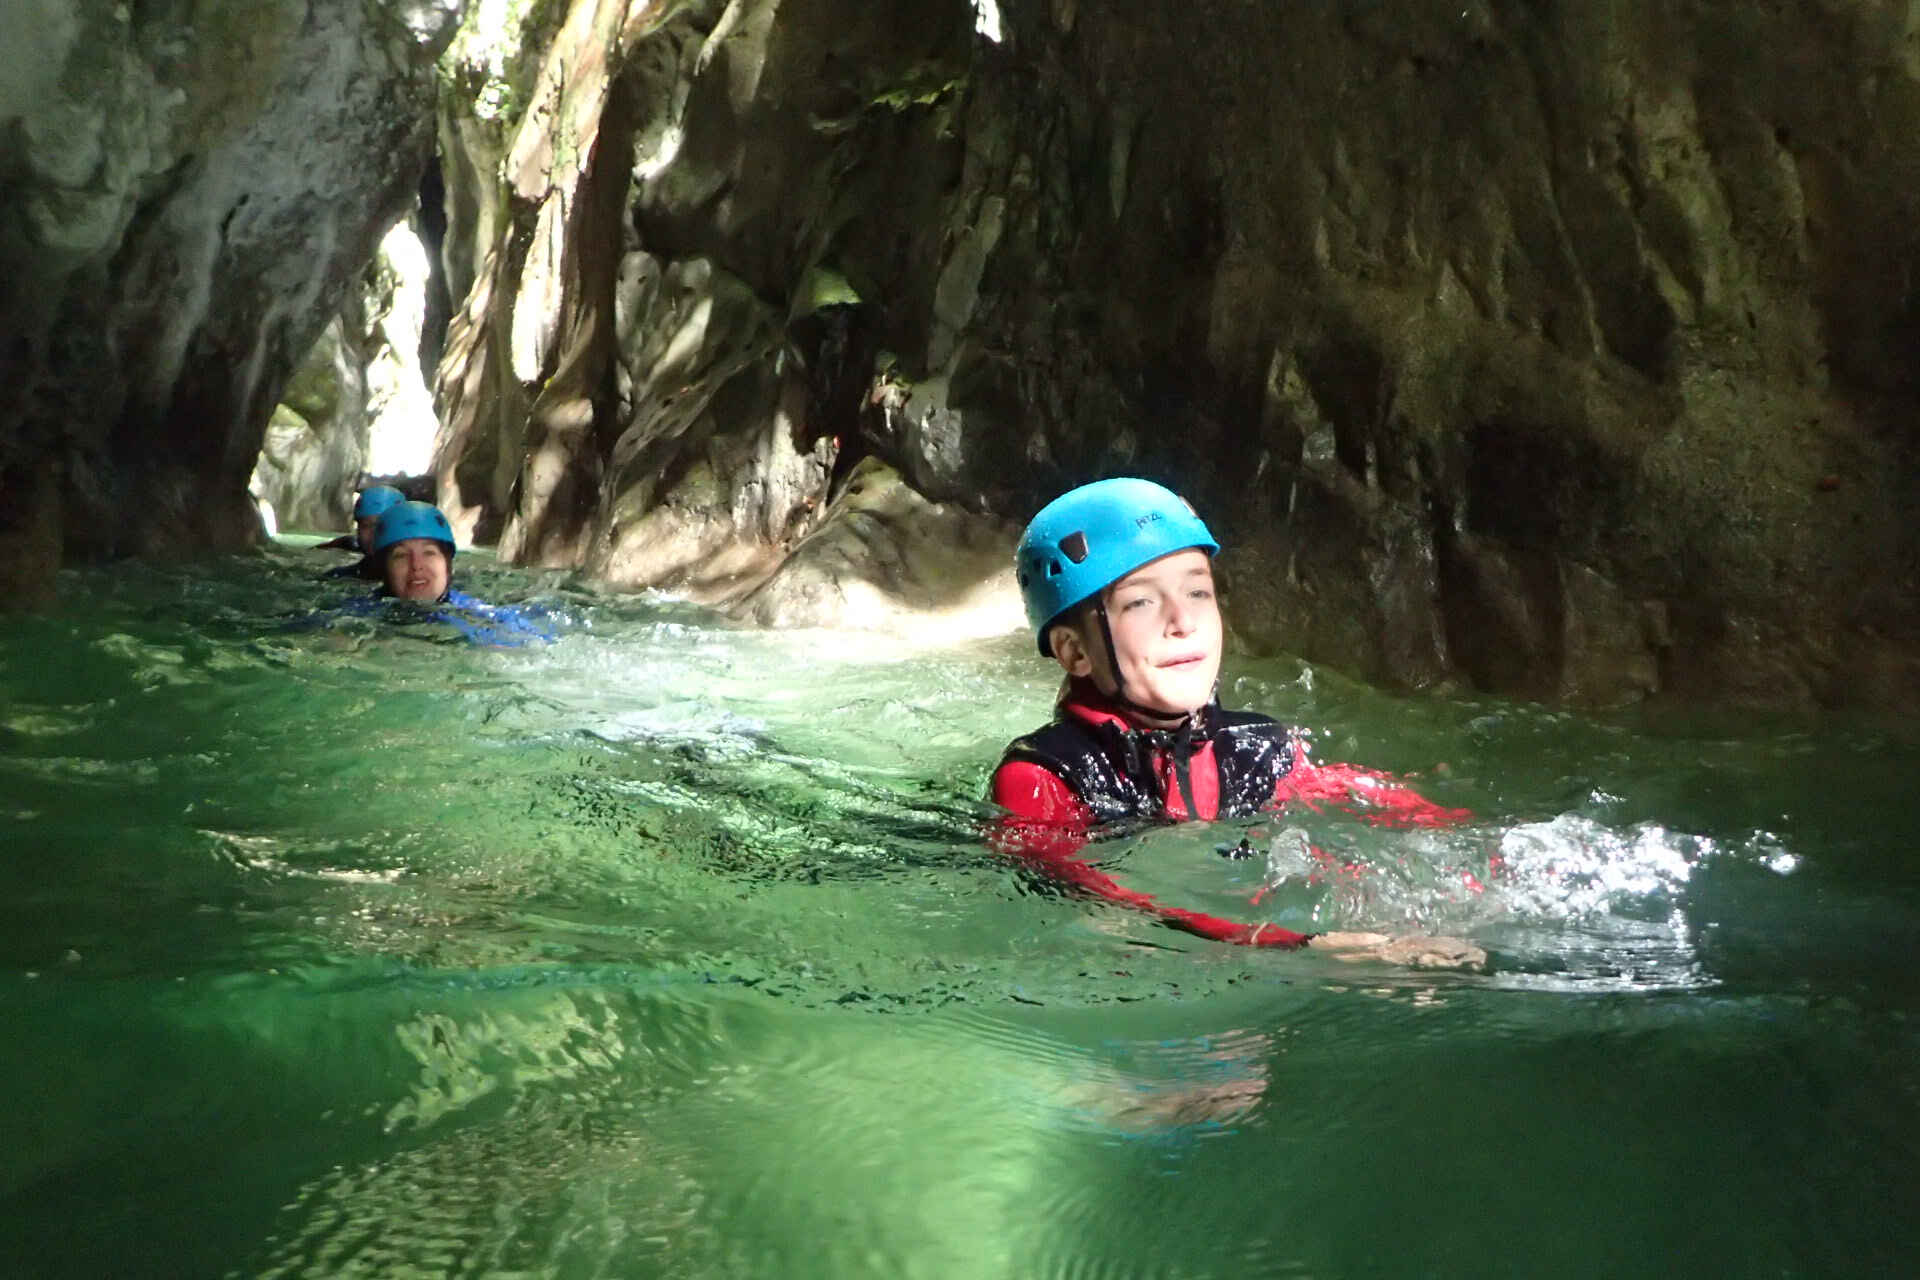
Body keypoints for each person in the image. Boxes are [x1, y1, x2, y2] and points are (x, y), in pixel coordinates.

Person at [988, 477, 1475, 955]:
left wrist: (1481, 858)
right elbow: (1099, 899)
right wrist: (1304, 945)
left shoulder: (1257, 748)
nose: (1183, 621)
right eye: (1141, 602)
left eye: (1197, 593)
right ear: (1075, 652)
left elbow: (1358, 806)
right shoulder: (1044, 778)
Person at [302, 501, 556, 647]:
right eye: (401, 555)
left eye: (430, 553)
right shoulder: (350, 617)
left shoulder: (482, 617)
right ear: (384, 568)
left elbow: (540, 647)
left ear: (448, 564)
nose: (416, 565)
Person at [317, 484, 407, 579]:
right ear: (358, 529)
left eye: (382, 525)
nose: (374, 534)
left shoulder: (418, 580)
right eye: (366, 526)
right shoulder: (338, 577)